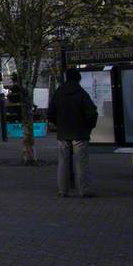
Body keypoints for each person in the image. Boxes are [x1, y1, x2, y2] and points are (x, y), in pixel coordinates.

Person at [48, 68, 99, 198]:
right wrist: (89, 126)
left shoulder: (58, 93)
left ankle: (63, 190)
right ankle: (84, 189)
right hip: (80, 133)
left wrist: (59, 125)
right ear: (78, 79)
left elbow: (51, 114)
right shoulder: (82, 94)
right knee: (81, 162)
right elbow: (91, 113)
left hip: (63, 133)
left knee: (63, 162)